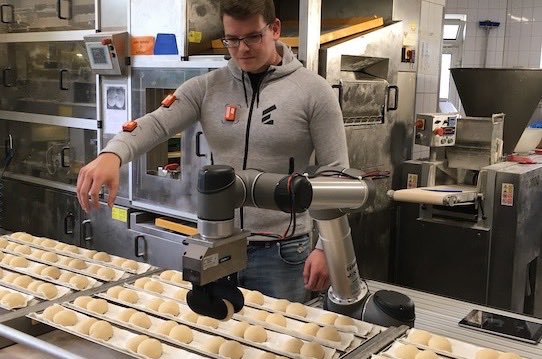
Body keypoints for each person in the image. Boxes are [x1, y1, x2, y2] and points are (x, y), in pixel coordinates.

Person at [76, 0, 349, 303]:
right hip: (217, 244)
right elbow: (155, 123)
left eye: (252, 37)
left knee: (275, 344)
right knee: (219, 338)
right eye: (232, 39)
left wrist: (327, 248)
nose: (241, 48)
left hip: (282, 250)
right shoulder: (208, 87)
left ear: (274, 29)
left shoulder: (314, 91)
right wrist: (111, 154)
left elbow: (334, 174)